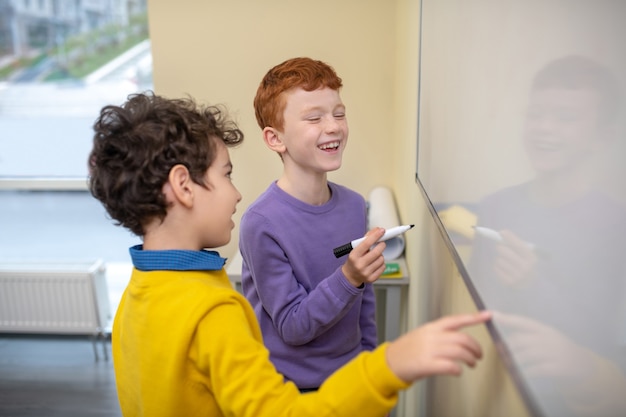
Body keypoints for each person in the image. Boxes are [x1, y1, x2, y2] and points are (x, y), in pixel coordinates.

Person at [88, 91, 491, 417]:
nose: (237, 192)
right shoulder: (212, 312)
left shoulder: (132, 298)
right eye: (226, 175)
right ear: (184, 186)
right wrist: (388, 366)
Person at [467, 55, 626, 416]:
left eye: (565, 118)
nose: (544, 128)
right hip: (498, 393)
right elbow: (478, 307)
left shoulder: (617, 227)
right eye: (536, 115)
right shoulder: (496, 208)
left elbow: (604, 341)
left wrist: (532, 284)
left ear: (603, 138)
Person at [239, 57, 380, 391]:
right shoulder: (260, 223)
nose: (333, 126)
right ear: (275, 139)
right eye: (314, 118)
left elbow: (365, 302)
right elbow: (292, 326)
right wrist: (349, 277)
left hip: (353, 382)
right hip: (292, 394)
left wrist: (371, 371)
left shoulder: (354, 206)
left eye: (339, 114)